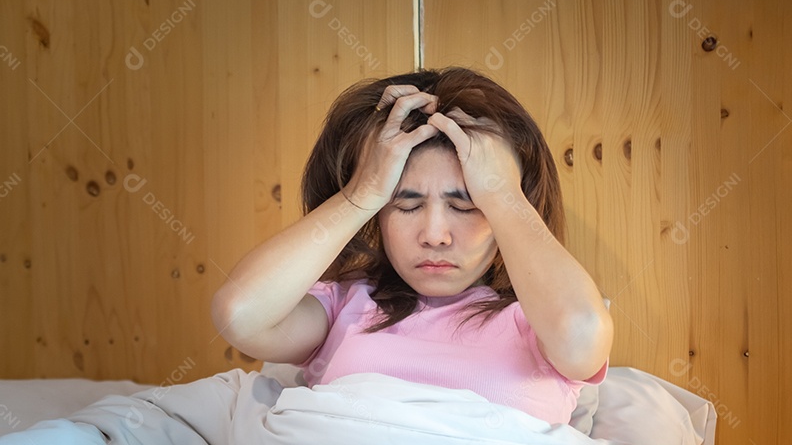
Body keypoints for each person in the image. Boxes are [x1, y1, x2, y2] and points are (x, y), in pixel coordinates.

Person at [211, 67, 613, 426]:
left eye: (465, 205)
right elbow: (240, 315)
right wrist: (361, 193)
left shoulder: (540, 319)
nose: (435, 234)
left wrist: (502, 190)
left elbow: (581, 333)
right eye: (406, 204)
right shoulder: (342, 308)